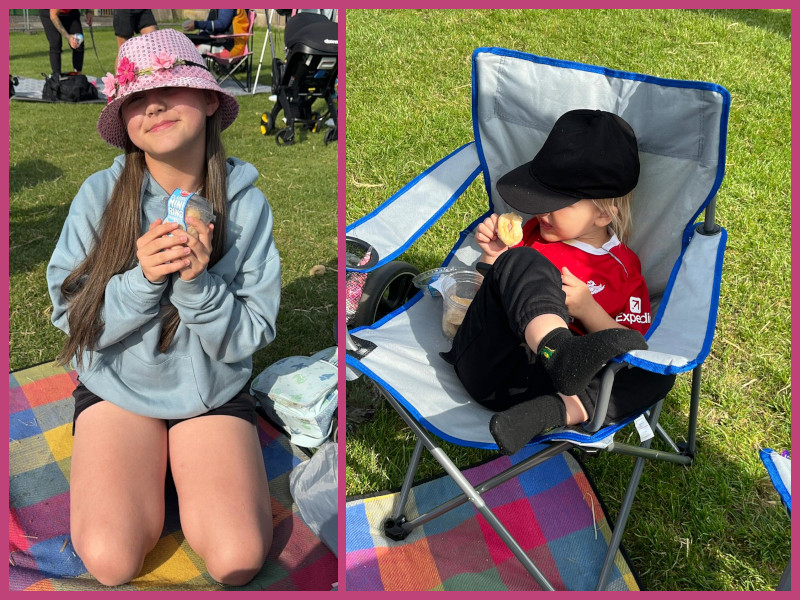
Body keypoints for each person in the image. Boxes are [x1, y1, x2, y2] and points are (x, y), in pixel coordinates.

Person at [46, 29, 280, 587]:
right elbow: (69, 317)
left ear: (207, 99)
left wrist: (199, 286)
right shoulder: (99, 197)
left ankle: (184, 464)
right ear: (125, 120)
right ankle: (154, 468)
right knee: (109, 559)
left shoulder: (245, 203)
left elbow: (254, 330)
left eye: (172, 86)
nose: (152, 104)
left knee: (237, 558)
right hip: (118, 385)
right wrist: (142, 279)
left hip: (210, 391)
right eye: (134, 99)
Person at [441, 109, 675, 455]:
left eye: (555, 204)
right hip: (488, 359)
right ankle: (558, 348)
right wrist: (492, 258)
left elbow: (632, 344)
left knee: (658, 370)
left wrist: (586, 308)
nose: (540, 213)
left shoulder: (623, 269)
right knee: (524, 261)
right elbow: (477, 304)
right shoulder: (529, 238)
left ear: (602, 213)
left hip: (544, 389)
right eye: (539, 198)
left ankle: (553, 412)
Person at [38, 9, 92, 76]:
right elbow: (53, 15)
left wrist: (88, 11)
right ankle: (56, 77)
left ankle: (77, 74)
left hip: (70, 12)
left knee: (78, 41)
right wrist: (68, 37)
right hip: (49, 12)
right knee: (56, 43)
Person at [183, 9, 250, 57]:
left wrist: (197, 24)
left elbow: (222, 24)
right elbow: (212, 28)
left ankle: (199, 75)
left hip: (230, 46)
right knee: (185, 41)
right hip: (220, 40)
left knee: (192, 48)